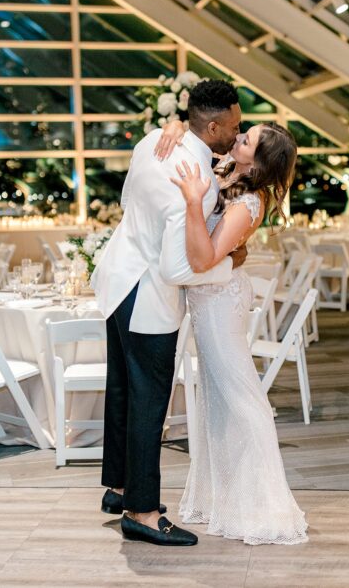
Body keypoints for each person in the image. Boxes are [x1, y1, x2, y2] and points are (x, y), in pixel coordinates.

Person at [90, 79, 247, 547]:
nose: (238, 133)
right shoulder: (195, 178)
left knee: (123, 389)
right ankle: (142, 513)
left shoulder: (152, 142)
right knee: (148, 401)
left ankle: (120, 489)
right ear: (213, 127)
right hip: (148, 296)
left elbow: (126, 202)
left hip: (117, 279)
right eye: (235, 126)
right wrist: (229, 262)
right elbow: (178, 268)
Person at [159, 118, 308, 545]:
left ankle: (267, 509)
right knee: (218, 403)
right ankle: (225, 500)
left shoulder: (249, 202)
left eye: (246, 140)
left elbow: (205, 258)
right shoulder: (226, 170)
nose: (237, 136)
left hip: (220, 304)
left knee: (243, 400)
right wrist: (175, 125)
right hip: (210, 300)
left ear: (257, 163)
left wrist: (193, 202)